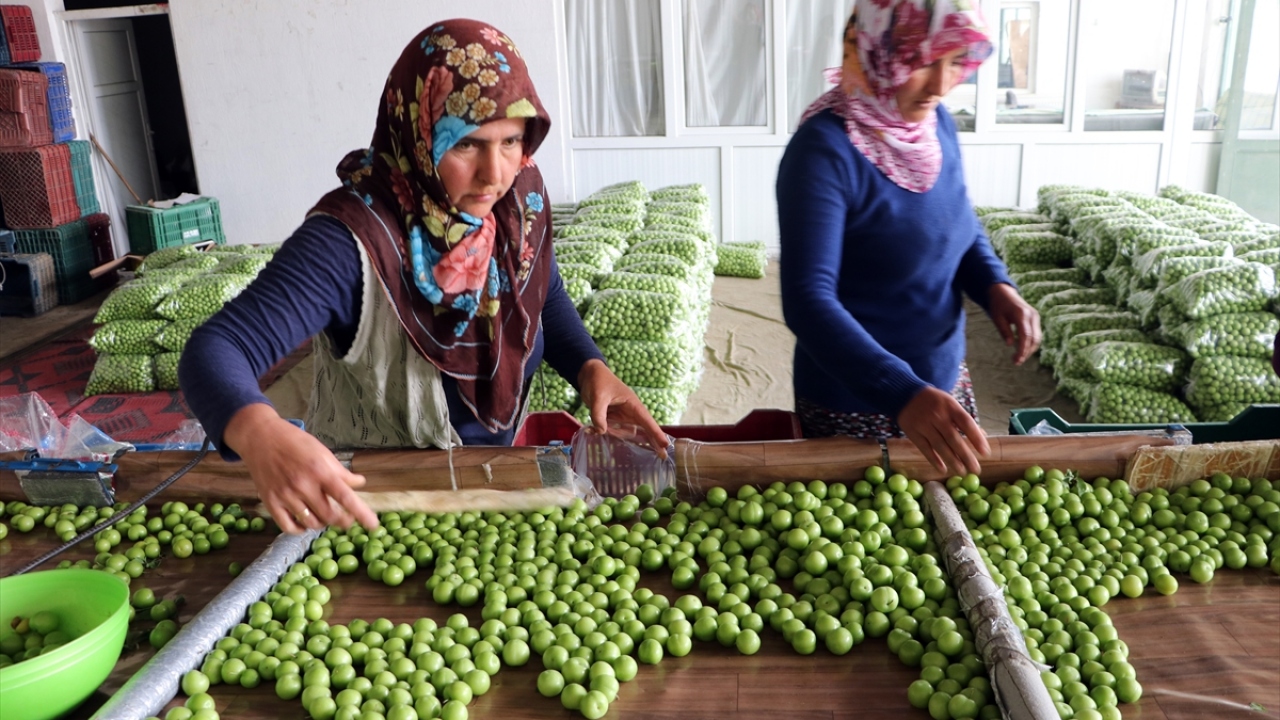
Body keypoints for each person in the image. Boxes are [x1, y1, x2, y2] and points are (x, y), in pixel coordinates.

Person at [180, 19, 666, 534]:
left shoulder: (518, 197)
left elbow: (541, 291)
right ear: (418, 130)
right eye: (465, 145)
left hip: (490, 487)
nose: (494, 173)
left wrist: (590, 366)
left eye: (510, 141)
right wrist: (259, 432)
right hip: (371, 505)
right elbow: (217, 347)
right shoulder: (354, 239)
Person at [776, 0, 1041, 478]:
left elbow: (956, 222)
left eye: (955, 60)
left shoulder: (934, 124)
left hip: (939, 384)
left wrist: (994, 285)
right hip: (858, 401)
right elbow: (807, 301)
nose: (940, 86)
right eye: (920, 62)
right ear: (878, 46)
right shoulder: (823, 153)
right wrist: (901, 391)